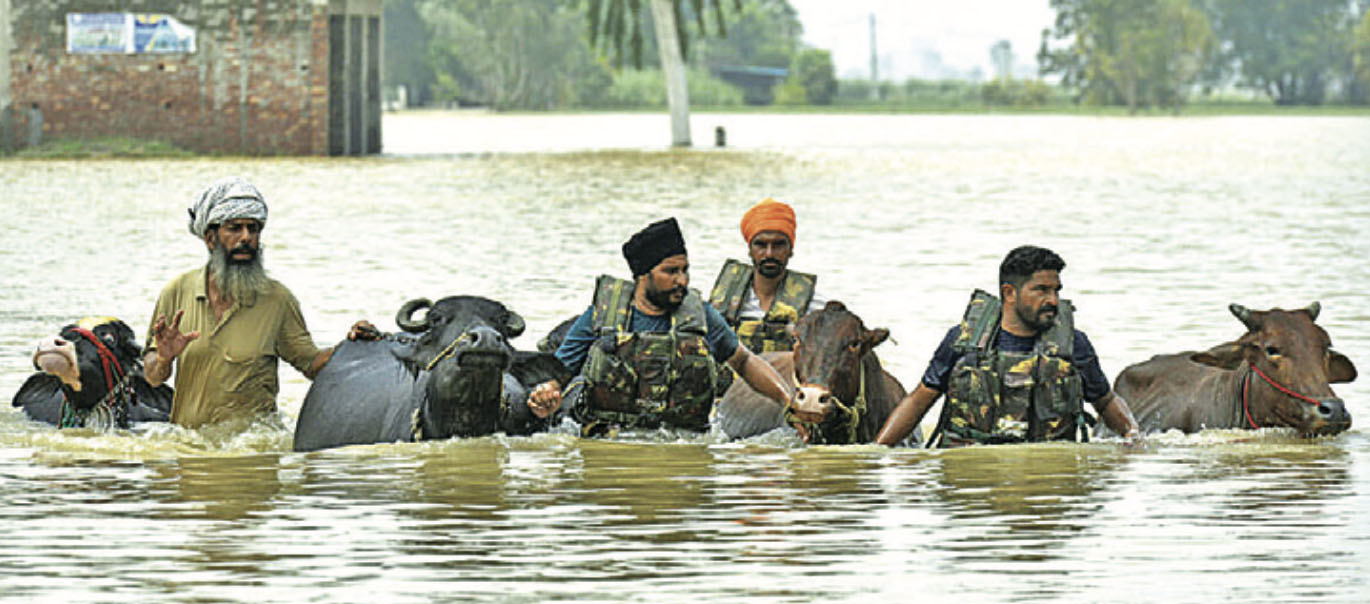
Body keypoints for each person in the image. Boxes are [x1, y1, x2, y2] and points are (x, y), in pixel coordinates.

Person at [142, 176, 374, 428]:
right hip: (190, 453)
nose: (246, 238)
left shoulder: (276, 299)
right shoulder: (176, 292)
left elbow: (312, 365)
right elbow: (153, 378)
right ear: (211, 238)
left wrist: (353, 347)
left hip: (254, 453)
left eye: (253, 229)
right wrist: (164, 358)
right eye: (235, 228)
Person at [527, 217, 793, 435]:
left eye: (685, 270)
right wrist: (546, 394)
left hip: (684, 440)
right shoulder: (602, 315)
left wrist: (787, 401)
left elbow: (744, 361)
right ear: (643, 275)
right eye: (671, 271)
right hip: (611, 441)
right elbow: (558, 372)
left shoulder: (700, 315)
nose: (682, 280)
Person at [875, 245, 1140, 447]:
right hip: (972, 476)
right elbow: (920, 400)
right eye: (1041, 290)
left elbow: (1105, 402)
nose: (1053, 300)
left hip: (1044, 475)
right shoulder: (963, 342)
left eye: (1056, 290)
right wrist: (878, 453)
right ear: (1009, 293)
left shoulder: (1073, 345)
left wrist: (1133, 440)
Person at [708, 198, 826, 354]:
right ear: (750, 250)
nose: (769, 253)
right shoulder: (720, 302)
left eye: (778, 245)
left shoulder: (815, 307)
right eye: (761, 245)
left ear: (790, 250)